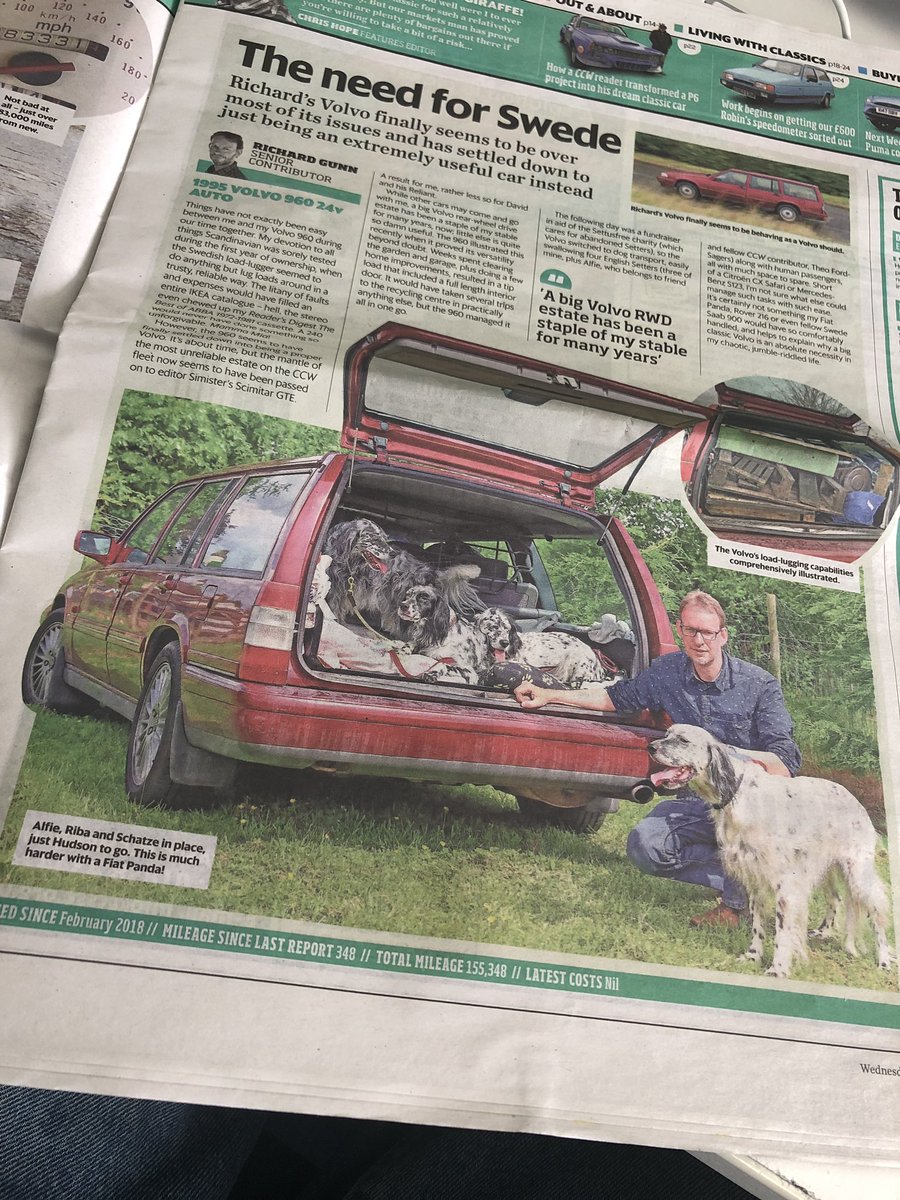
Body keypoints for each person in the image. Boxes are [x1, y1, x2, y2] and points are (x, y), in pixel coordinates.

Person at [515, 590, 801, 927]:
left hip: (751, 808)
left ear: (722, 636)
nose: (699, 641)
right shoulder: (668, 672)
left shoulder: (758, 685)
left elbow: (785, 761)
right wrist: (550, 694)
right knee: (645, 845)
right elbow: (616, 698)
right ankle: (742, 875)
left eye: (708, 632)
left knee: (742, 833)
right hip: (698, 802)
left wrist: (722, 755)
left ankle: (735, 906)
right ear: (680, 630)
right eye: (691, 630)